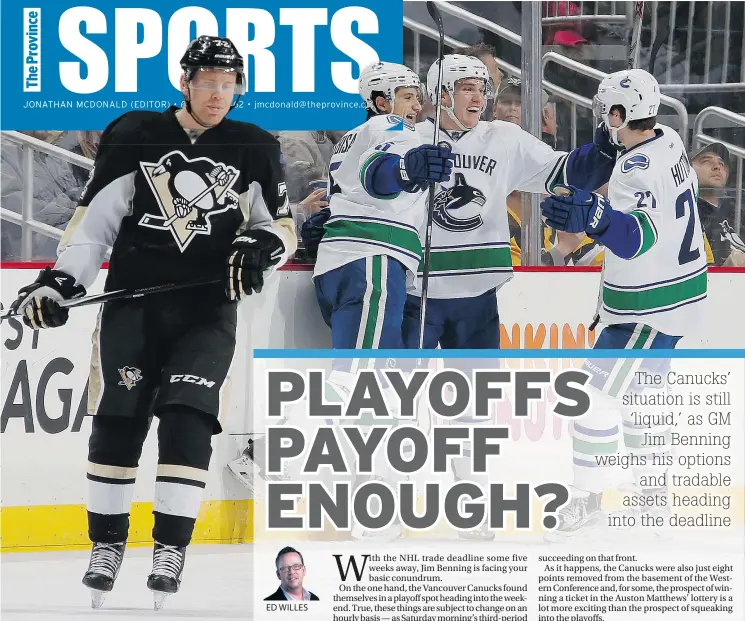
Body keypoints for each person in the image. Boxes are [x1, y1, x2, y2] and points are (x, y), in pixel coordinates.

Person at [9, 35, 296, 609]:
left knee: (188, 420)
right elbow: (93, 227)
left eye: (229, 83)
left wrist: (259, 246)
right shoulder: (136, 135)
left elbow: (280, 226)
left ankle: (171, 549)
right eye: (208, 83)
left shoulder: (254, 146)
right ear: (184, 83)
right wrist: (60, 281)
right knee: (118, 419)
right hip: (132, 306)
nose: (219, 95)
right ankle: (107, 546)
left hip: (207, 310)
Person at [229, 61, 452, 544]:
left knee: (371, 389)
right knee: (358, 379)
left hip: (349, 262)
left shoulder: (353, 136)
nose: (417, 104)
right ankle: (271, 452)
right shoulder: (390, 128)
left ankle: (367, 499)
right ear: (378, 100)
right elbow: (382, 175)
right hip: (373, 259)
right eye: (408, 95)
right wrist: (410, 168)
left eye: (418, 95)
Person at [540, 69, 707, 540]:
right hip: (679, 296)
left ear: (617, 115)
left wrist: (595, 218)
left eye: (605, 112)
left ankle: (589, 502)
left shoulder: (636, 170)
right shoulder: (669, 139)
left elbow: (636, 239)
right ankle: (654, 504)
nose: (600, 120)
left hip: (645, 309)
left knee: (590, 400)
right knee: (641, 404)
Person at [402, 54, 616, 352]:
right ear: (441, 93)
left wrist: (606, 146)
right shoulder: (407, 138)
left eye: (482, 88)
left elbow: (568, 172)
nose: (479, 97)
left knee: (479, 392)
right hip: (416, 291)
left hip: (479, 293)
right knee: (400, 387)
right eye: (467, 88)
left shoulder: (504, 138)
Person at [690, 142, 745, 266]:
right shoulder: (689, 212)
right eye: (706, 161)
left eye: (721, 163)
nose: (717, 167)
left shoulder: (735, 211)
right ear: (688, 170)